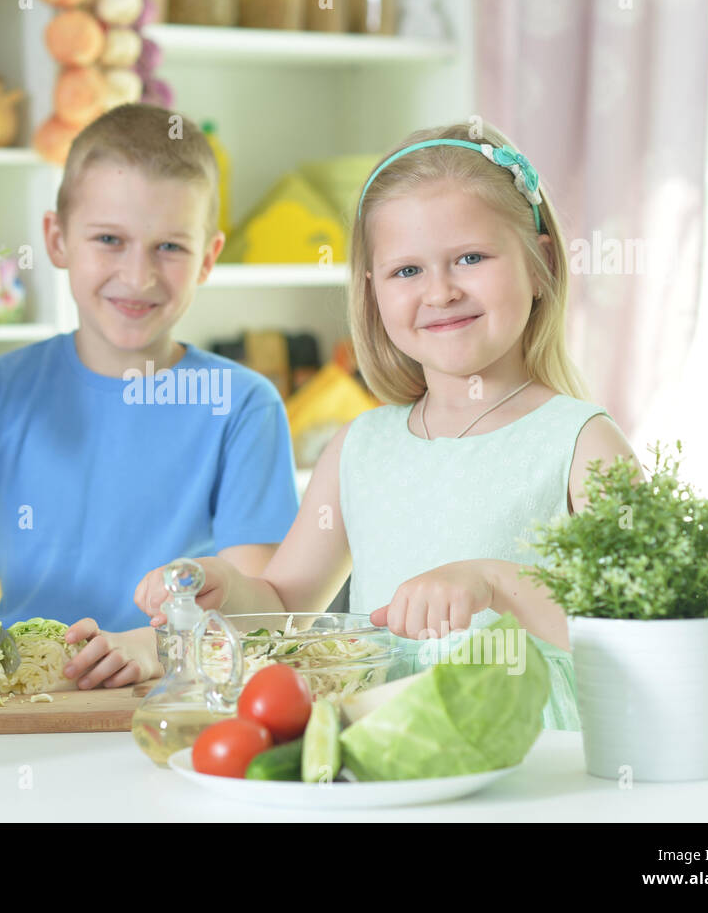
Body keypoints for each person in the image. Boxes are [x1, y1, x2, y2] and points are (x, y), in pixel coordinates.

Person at [134, 121, 642, 729]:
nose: (442, 291)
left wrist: (494, 581)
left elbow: (641, 631)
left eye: (471, 258)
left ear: (540, 264)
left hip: (529, 763)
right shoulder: (359, 447)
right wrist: (226, 590)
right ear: (372, 291)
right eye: (407, 272)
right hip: (382, 747)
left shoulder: (582, 443)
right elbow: (286, 607)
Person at [0, 104, 299, 690]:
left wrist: (155, 646)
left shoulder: (243, 405)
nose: (138, 276)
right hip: (23, 706)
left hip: (179, 713)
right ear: (57, 238)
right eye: (109, 239)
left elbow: (258, 611)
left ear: (209, 258)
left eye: (170, 247)